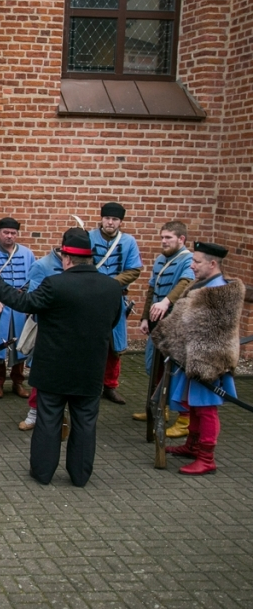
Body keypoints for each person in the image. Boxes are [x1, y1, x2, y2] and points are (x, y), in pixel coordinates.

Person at [0, 228, 122, 486]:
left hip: (53, 368)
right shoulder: (112, 288)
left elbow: (25, 304)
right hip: (90, 369)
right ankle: (80, 476)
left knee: (48, 421)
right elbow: (112, 322)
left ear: (66, 258)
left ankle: (43, 473)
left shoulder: (55, 284)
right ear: (90, 258)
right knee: (85, 423)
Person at [151, 242, 245, 476]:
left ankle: (207, 458)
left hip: (207, 361)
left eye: (196, 262)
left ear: (212, 264)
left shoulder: (218, 293)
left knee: (206, 409)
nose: (192, 266)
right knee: (194, 406)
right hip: (191, 359)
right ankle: (192, 446)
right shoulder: (201, 286)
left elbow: (212, 333)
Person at [132, 221, 194, 437]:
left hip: (177, 323)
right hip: (157, 322)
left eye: (168, 237)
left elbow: (186, 282)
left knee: (176, 370)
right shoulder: (160, 259)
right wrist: (144, 318)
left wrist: (167, 302)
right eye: (162, 237)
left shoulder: (188, 260)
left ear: (181, 239)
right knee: (154, 367)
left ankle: (184, 420)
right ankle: (161, 409)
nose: (164, 241)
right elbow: (152, 289)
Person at [89, 202, 142, 404]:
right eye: (107, 218)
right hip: (91, 297)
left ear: (120, 221)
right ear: (102, 219)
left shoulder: (128, 241)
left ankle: (110, 386)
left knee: (114, 346)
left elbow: (134, 270)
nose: (110, 222)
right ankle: (91, 384)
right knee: (89, 342)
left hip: (115, 298)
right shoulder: (88, 237)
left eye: (115, 219)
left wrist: (110, 284)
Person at [0, 217, 35, 398]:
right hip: (0, 305)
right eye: (6, 232)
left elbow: (32, 279)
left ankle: (18, 382)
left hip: (19, 306)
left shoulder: (27, 254)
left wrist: (24, 295)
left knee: (21, 344)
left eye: (13, 233)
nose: (9, 236)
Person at [17, 244, 65, 431]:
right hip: (47, 327)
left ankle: (60, 415)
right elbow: (34, 299)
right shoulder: (42, 266)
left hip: (72, 330)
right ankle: (34, 413)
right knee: (42, 372)